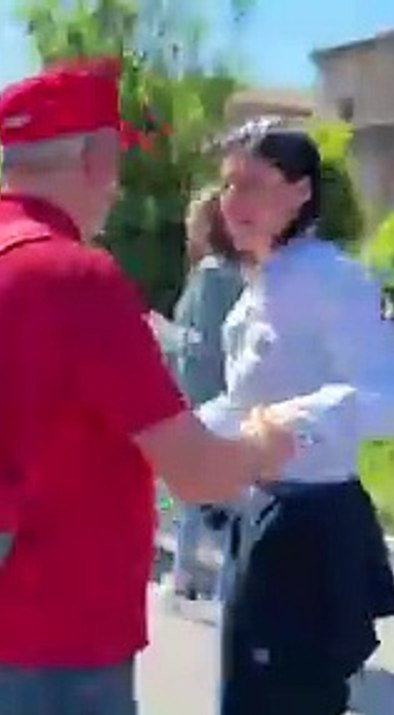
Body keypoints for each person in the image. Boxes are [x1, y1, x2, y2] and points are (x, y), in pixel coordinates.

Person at [0, 57, 294, 715]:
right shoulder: (76, 280)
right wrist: (267, 441)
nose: (117, 185)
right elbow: (198, 473)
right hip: (59, 635)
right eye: (116, 160)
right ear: (93, 158)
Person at [205, 119, 394, 715]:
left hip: (309, 528)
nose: (235, 202)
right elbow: (244, 406)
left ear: (301, 191)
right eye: (228, 186)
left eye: (254, 183)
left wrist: (299, 419)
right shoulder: (261, 283)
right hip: (261, 518)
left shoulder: (331, 280)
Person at [155, 186, 245, 605]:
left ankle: (184, 576)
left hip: (201, 394)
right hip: (223, 395)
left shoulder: (211, 274)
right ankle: (198, 576)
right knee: (215, 492)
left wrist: (163, 332)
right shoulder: (237, 271)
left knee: (197, 491)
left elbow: (203, 342)